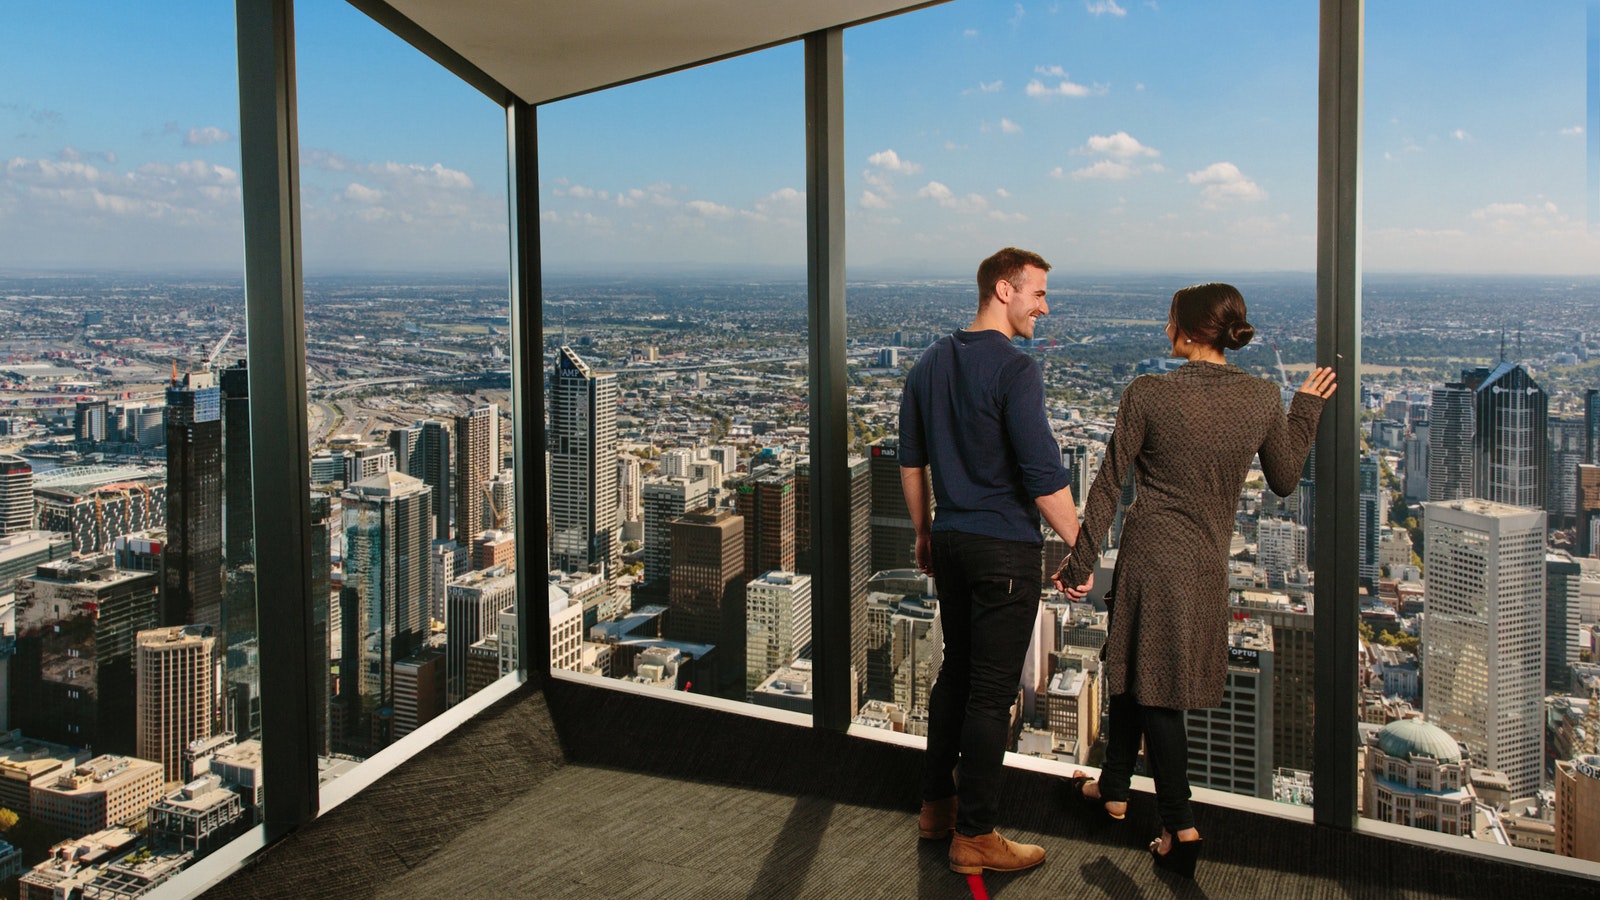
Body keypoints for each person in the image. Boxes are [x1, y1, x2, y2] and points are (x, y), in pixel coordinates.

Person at [1053, 282, 1335, 879]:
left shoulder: (1149, 392)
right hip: (1206, 561)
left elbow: (1106, 486)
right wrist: (1304, 409)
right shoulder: (1261, 398)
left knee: (1155, 687)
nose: (1164, 330)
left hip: (1152, 555)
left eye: (1169, 320)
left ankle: (1181, 828)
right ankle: (1113, 791)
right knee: (1136, 666)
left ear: (1189, 328)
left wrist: (1079, 565)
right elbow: (1285, 479)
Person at [900, 247, 1083, 876]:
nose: (1044, 306)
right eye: (1038, 293)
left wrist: (926, 533)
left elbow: (911, 462)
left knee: (955, 675)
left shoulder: (926, 364)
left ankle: (936, 808)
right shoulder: (1015, 369)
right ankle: (976, 836)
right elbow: (1042, 475)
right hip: (1004, 547)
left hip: (950, 541)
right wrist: (1083, 549)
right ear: (1004, 290)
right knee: (990, 693)